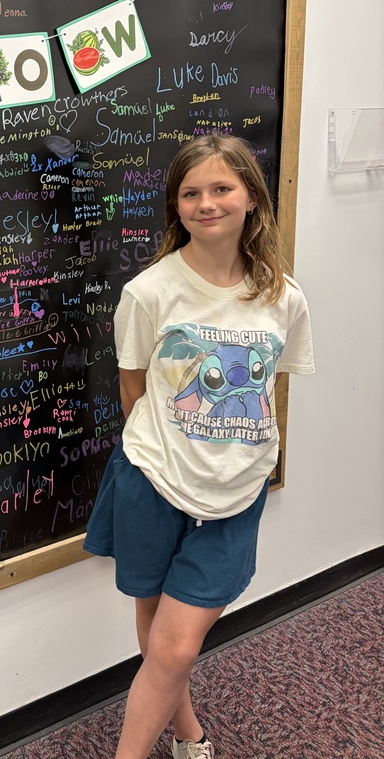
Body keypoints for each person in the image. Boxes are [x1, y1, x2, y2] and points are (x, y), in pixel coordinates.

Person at [84, 134, 314, 759]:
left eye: (222, 188)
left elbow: (270, 385)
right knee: (162, 633)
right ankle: (187, 734)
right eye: (191, 193)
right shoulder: (149, 293)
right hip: (154, 479)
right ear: (175, 205)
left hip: (236, 490)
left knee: (178, 643)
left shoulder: (284, 297)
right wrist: (174, 453)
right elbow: (133, 391)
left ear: (252, 198)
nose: (206, 203)